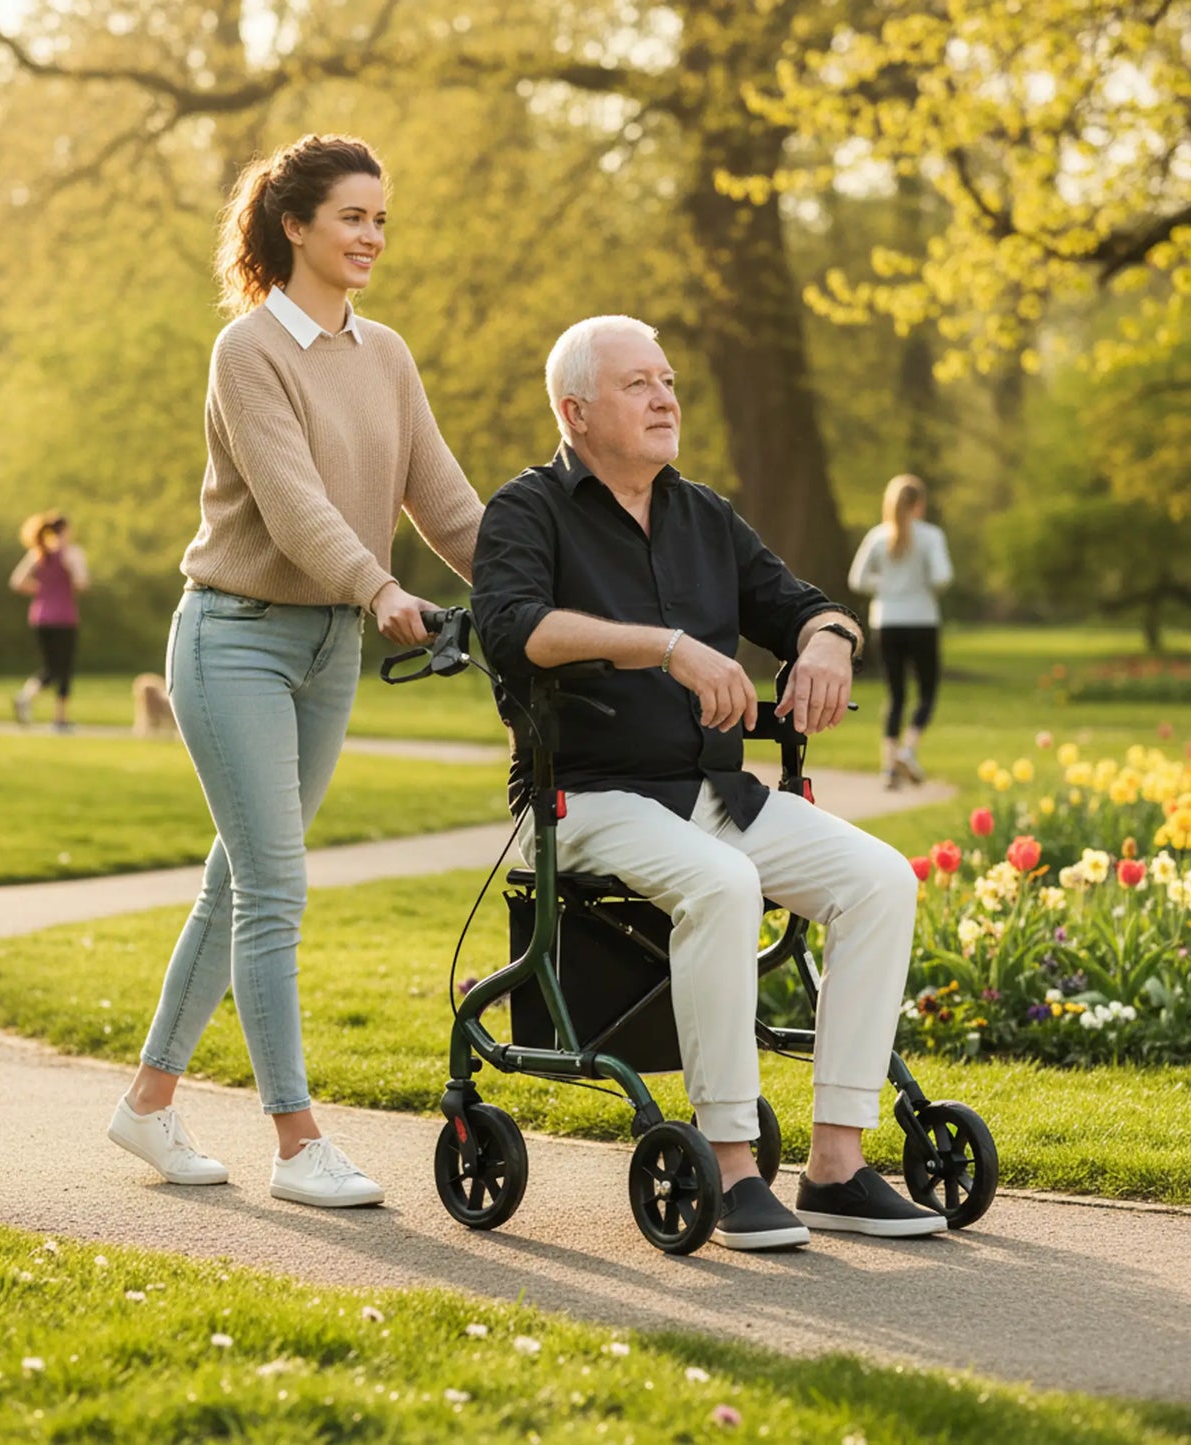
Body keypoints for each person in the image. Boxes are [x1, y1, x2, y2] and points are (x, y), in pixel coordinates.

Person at [471, 315, 945, 1250]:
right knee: (722, 882)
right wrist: (667, 647)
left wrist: (825, 645)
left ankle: (838, 1167)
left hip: (715, 795)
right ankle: (733, 1166)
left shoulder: (701, 513)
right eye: (638, 384)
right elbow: (512, 628)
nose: (665, 398)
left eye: (669, 380)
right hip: (586, 800)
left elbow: (807, 604)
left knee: (881, 879)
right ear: (574, 411)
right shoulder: (526, 510)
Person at [107, 134, 483, 1208]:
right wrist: (379, 588)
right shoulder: (248, 352)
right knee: (274, 888)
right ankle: (295, 1141)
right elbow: (294, 505)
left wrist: (539, 585)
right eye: (352, 217)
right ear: (293, 225)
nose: (370, 237)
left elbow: (445, 503)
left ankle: (144, 1103)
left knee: (236, 885)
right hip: (233, 638)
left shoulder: (387, 354)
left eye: (380, 219)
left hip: (326, 651)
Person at [846, 474, 953, 790]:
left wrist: (887, 585)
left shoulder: (878, 537)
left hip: (887, 622)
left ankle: (889, 768)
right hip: (922, 620)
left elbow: (857, 580)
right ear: (919, 505)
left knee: (895, 694)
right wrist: (920, 584)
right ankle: (907, 749)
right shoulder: (931, 536)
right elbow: (943, 577)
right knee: (928, 690)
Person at [9, 511, 90, 733]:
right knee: (63, 669)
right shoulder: (71, 554)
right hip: (64, 617)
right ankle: (60, 719)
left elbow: (17, 581)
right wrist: (70, 575)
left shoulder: (39, 554)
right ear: (65, 530)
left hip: (40, 616)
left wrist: (40, 590)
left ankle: (25, 697)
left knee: (51, 668)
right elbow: (82, 583)